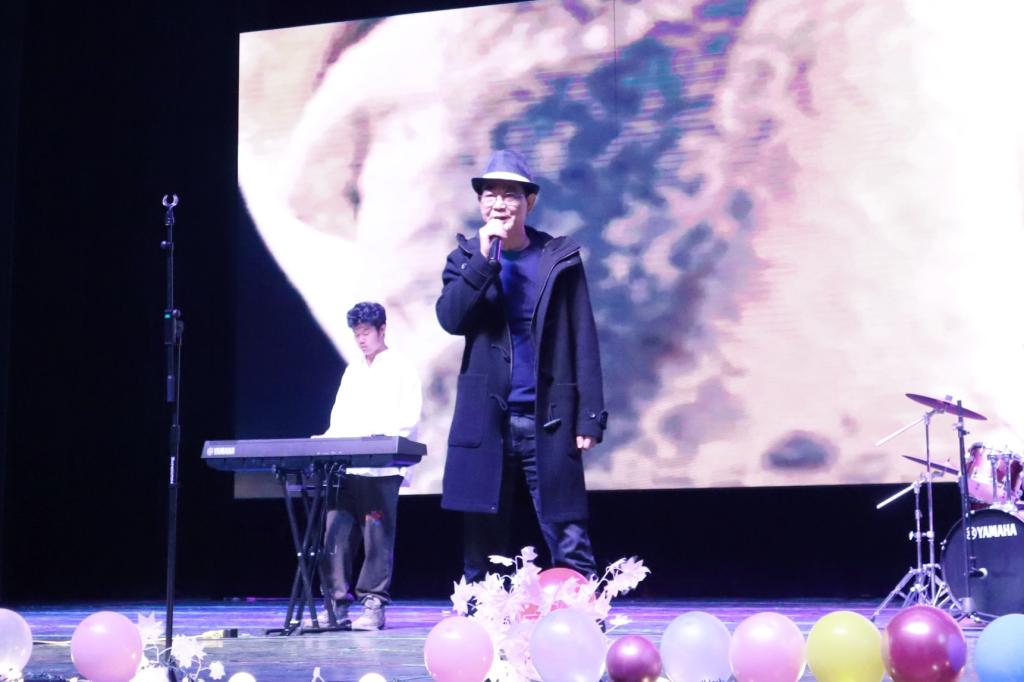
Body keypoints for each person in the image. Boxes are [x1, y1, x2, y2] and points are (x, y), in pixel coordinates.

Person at [436, 149, 608, 583]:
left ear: (529, 202)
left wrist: (589, 415)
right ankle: (482, 617)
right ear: (480, 203)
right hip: (487, 419)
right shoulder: (464, 259)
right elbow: (451, 320)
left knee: (566, 530)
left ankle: (583, 613)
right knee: (483, 540)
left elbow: (583, 336)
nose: (499, 204)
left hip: (547, 418)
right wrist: (483, 262)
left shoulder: (558, 258)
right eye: (490, 194)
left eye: (510, 194)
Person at [320, 301, 422, 630]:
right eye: (356, 334)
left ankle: (373, 604)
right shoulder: (353, 370)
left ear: (382, 330)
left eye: (366, 332)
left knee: (377, 538)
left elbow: (407, 420)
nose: (361, 339)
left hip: (381, 470)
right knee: (335, 534)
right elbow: (339, 419)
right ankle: (335, 605)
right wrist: (325, 444)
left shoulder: (402, 368)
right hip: (348, 469)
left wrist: (379, 443)